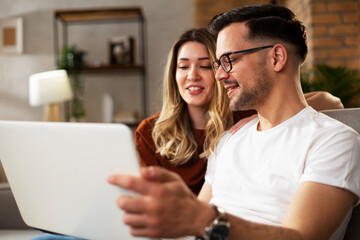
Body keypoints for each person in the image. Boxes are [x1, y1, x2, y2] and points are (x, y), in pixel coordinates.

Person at [108, 4, 360, 240]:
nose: (219, 75)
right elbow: (190, 222)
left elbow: (299, 236)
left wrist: (206, 219)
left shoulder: (334, 140)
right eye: (218, 64)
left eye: (229, 60)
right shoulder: (231, 139)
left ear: (276, 58)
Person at [135, 28, 344, 195]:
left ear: (220, 72)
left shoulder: (244, 117)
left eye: (205, 66)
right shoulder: (150, 132)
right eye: (183, 67)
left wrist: (256, 115)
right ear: (173, 74)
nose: (192, 76)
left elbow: (330, 102)